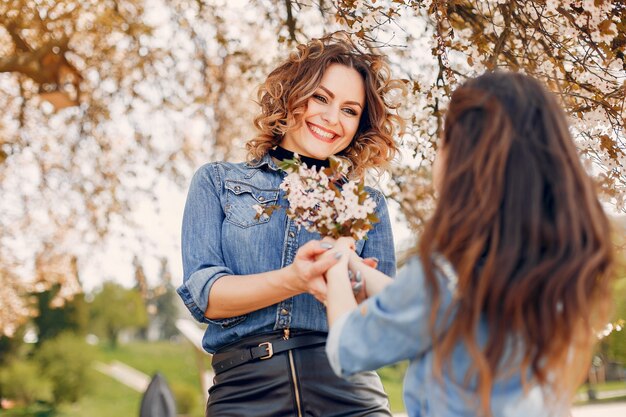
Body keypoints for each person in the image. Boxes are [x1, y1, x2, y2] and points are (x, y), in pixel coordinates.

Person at [323, 71, 615, 417]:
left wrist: (338, 266)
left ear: (463, 158)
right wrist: (358, 269)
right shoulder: (554, 264)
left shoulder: (448, 269)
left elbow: (347, 347)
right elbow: (425, 304)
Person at [177, 33, 404, 416]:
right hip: (245, 392)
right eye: (321, 97)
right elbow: (207, 297)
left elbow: (383, 325)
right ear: (291, 96)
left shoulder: (368, 205)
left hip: (349, 393)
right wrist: (296, 279)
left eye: (350, 110)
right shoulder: (218, 182)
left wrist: (356, 285)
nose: (332, 119)